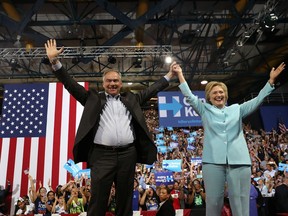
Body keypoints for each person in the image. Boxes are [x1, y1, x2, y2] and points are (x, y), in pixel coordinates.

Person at [44, 39, 176, 216]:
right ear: (103, 83)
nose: (112, 84)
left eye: (116, 81)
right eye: (109, 81)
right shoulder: (93, 99)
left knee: (125, 200)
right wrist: (55, 62)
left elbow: (151, 90)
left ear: (121, 83)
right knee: (98, 200)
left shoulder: (131, 99)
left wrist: (169, 75)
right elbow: (70, 84)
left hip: (128, 155)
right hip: (101, 156)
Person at [172, 61, 286, 216]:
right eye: (215, 93)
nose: (219, 95)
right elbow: (189, 96)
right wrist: (179, 74)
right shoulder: (204, 110)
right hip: (212, 161)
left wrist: (270, 81)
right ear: (209, 97)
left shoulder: (237, 109)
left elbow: (258, 100)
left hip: (239, 160)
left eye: (221, 92)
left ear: (225, 95)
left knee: (240, 200)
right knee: (213, 201)